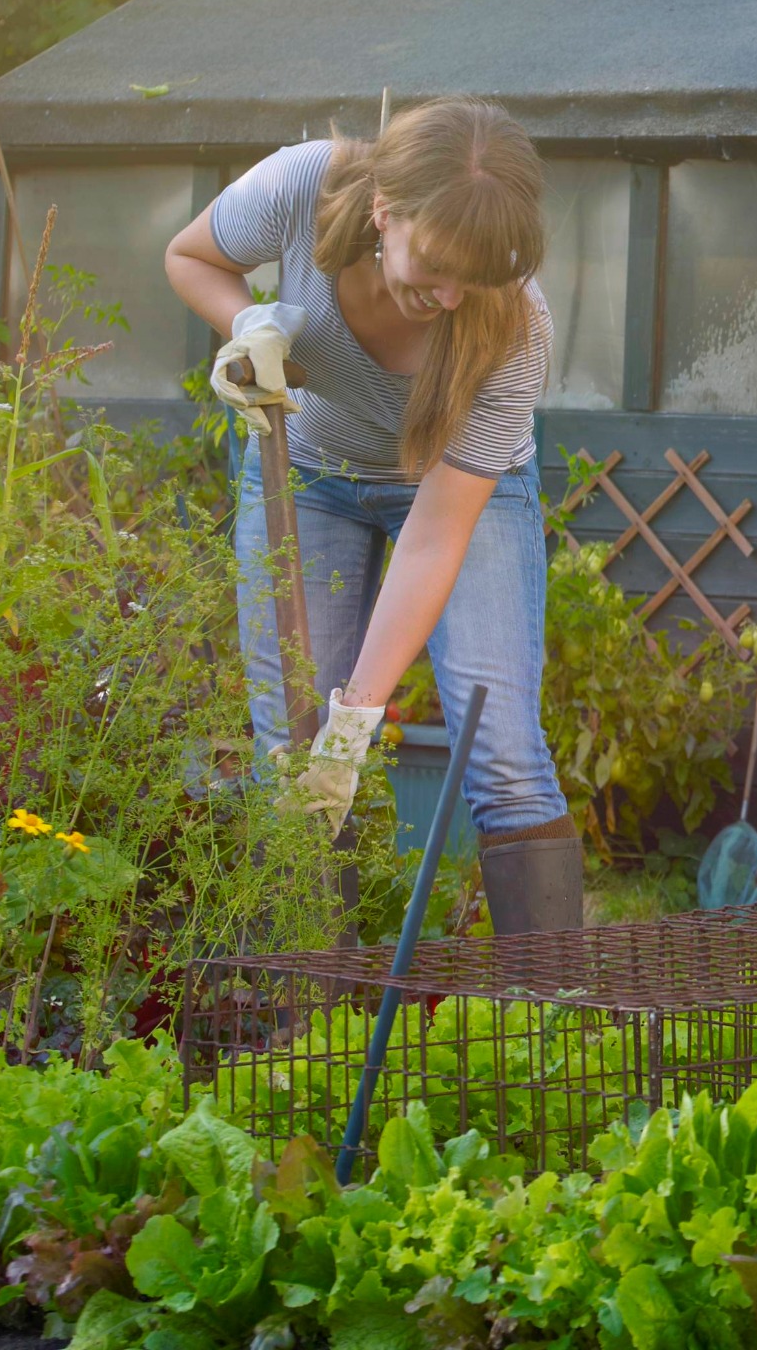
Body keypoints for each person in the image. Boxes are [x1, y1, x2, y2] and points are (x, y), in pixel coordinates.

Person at [164, 97, 583, 934]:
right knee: (292, 750)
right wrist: (247, 321)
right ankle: (314, 1029)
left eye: (475, 272)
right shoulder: (302, 186)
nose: (451, 293)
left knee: (499, 748)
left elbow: (433, 541)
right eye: (434, 262)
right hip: (310, 477)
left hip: (466, 493)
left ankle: (555, 1029)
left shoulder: (515, 324)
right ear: (384, 211)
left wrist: (359, 717)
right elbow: (189, 255)